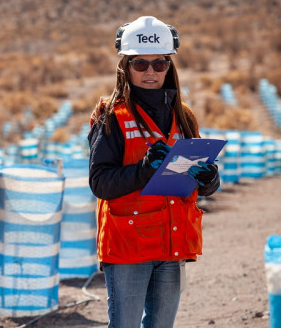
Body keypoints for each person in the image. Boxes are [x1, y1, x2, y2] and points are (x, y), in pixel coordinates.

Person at [88, 16, 220, 328]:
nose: (150, 72)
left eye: (159, 64)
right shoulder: (111, 117)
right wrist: (145, 169)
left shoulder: (183, 116)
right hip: (128, 244)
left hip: (171, 241)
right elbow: (100, 183)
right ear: (126, 67)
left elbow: (198, 181)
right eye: (140, 64)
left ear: (169, 66)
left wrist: (209, 181)